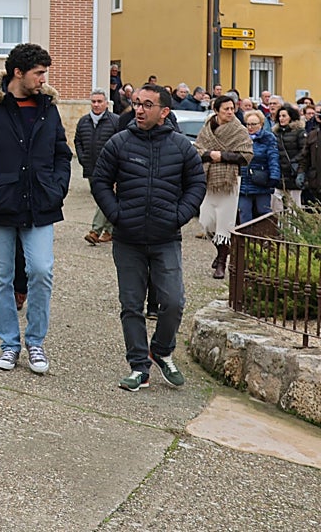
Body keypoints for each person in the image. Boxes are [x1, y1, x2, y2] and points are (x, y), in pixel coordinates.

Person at [0, 43, 71, 375]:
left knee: (40, 271)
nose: (43, 79)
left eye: (45, 72)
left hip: (40, 205)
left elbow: (62, 153)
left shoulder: (48, 108)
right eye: (38, 72)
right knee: (0, 279)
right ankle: (9, 344)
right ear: (17, 73)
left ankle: (36, 343)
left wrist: (57, 187)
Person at [91, 84, 205, 392]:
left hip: (166, 237)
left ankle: (162, 349)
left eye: (147, 105)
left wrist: (179, 215)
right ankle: (139, 367)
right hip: (128, 239)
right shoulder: (119, 143)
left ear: (164, 111)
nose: (139, 109)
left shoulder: (181, 146)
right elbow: (100, 180)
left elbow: (196, 183)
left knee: (173, 302)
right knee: (131, 304)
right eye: (137, 103)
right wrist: (116, 214)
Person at [194, 95, 252, 279]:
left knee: (224, 224)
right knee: (207, 221)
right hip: (209, 179)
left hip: (229, 182)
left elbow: (246, 156)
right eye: (226, 109)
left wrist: (224, 156)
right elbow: (197, 149)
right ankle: (222, 252)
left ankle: (221, 262)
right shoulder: (207, 127)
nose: (230, 112)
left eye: (232, 108)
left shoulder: (239, 130)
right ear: (216, 110)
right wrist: (211, 154)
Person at [75, 89, 120, 245]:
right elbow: (77, 141)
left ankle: (95, 231)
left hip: (110, 169)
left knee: (103, 198)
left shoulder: (115, 121)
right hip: (91, 168)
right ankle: (110, 231)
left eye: (99, 101)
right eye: (93, 101)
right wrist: (82, 159)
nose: (96, 104)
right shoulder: (83, 122)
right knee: (102, 199)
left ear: (106, 103)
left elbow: (121, 144)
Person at [238, 109, 281, 225]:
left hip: (261, 180)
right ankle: (246, 240)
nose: (250, 127)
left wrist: (274, 177)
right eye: (248, 124)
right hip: (244, 182)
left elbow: (273, 158)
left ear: (261, 124)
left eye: (253, 124)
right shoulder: (241, 138)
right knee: (244, 212)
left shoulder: (268, 138)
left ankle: (266, 239)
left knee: (264, 213)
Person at [272, 104, 307, 210]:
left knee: (294, 206)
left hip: (294, 172)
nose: (281, 119)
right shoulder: (276, 133)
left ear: (291, 117)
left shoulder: (299, 132)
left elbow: (304, 151)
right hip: (280, 173)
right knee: (276, 204)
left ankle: (295, 227)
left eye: (284, 116)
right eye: (280, 116)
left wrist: (293, 162)